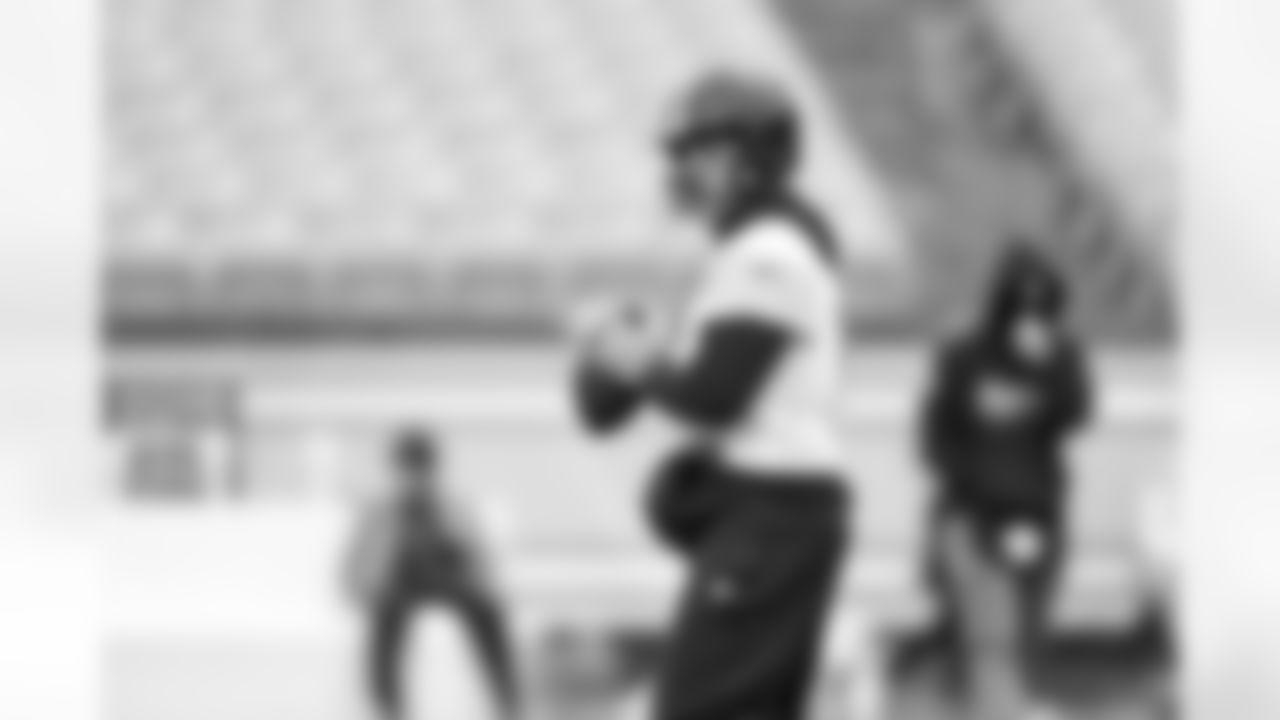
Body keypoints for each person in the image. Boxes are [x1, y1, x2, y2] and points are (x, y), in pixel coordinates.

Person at [571, 68, 852, 720]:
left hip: (774, 517)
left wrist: (629, 357)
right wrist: (638, 359)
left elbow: (713, 396)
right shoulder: (752, 248)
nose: (684, 171)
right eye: (681, 154)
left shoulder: (769, 252)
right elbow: (622, 405)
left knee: (698, 711)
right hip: (773, 517)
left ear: (751, 158)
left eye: (701, 152)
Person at [918, 242, 1094, 720]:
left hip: (1037, 513)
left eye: (1041, 306)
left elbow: (1076, 415)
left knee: (1023, 640)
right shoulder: (964, 355)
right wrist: (974, 490)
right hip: (972, 517)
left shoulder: (1060, 356)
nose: (1029, 315)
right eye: (1020, 304)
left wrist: (1048, 364)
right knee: (985, 641)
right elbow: (935, 438)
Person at [343, 429, 521, 720]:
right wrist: (360, 589)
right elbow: (355, 558)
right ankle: (388, 708)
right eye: (410, 469)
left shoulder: (453, 505)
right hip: (397, 584)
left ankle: (507, 704)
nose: (416, 478)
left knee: (488, 612)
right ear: (398, 469)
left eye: (421, 468)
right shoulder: (380, 509)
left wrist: (487, 584)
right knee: (384, 619)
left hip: (449, 580)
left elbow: (479, 552)